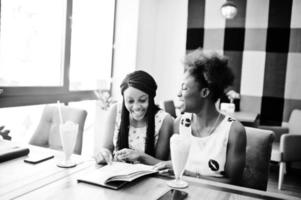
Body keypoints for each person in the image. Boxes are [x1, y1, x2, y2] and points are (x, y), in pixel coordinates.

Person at [155, 49, 246, 185]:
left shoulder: (234, 131)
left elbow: (233, 184)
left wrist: (188, 174)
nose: (179, 94)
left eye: (184, 88)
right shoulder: (179, 123)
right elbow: (171, 169)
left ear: (204, 92)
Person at [94, 70, 174, 165]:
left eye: (142, 100)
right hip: (117, 173)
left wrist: (140, 156)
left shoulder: (164, 120)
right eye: (130, 101)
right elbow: (107, 148)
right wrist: (104, 154)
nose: (136, 107)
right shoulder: (115, 111)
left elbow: (161, 164)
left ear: (151, 98)